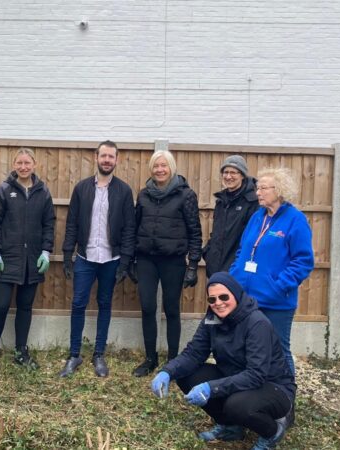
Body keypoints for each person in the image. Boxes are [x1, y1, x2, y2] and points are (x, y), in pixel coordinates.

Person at [150, 272, 296, 450]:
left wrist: (212, 388)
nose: (218, 303)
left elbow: (256, 375)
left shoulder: (257, 323)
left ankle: (272, 432)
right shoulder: (212, 318)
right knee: (187, 375)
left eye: (224, 296)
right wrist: (167, 371)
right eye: (212, 299)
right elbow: (194, 353)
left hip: (272, 386)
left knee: (236, 405)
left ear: (235, 294)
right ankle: (230, 427)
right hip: (236, 376)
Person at [58, 140, 136, 378]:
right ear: (96, 157)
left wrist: (125, 262)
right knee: (78, 304)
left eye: (111, 157)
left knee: (105, 304)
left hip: (111, 259)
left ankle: (99, 354)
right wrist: (67, 255)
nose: (107, 160)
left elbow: (129, 229)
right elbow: (71, 223)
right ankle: (74, 355)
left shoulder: (123, 191)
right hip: (85, 256)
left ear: (116, 160)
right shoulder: (82, 188)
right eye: (103, 156)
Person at [229, 167, 314, 375]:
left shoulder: (295, 220)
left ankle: (287, 396)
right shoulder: (257, 217)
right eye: (257, 188)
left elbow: (303, 261)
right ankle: (254, 394)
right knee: (248, 349)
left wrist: (278, 285)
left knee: (279, 351)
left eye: (263, 188)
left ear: (279, 190)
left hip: (276, 302)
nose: (257, 193)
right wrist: (235, 275)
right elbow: (243, 250)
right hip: (247, 299)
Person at [0, 148, 55, 373]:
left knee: (25, 307)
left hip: (31, 261)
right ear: (14, 165)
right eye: (19, 163)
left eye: (27, 163)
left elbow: (49, 224)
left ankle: (20, 352)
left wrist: (46, 251)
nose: (23, 167)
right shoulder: (3, 191)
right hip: (5, 260)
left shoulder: (43, 192)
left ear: (34, 164)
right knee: (1, 306)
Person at [132, 150, 202, 377]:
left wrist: (193, 265)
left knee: (171, 309)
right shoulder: (143, 195)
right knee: (147, 308)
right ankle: (150, 358)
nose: (160, 170)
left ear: (171, 168)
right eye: (156, 166)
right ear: (151, 169)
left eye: (164, 166)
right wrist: (132, 259)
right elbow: (134, 228)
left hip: (173, 261)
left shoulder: (186, 195)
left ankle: (173, 361)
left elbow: (195, 232)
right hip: (146, 260)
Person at [203, 155, 260, 278]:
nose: (228, 176)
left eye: (233, 172)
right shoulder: (221, 201)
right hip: (215, 267)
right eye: (225, 172)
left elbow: (253, 238)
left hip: (237, 269)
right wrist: (208, 253)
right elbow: (217, 233)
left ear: (242, 175)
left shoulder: (252, 202)